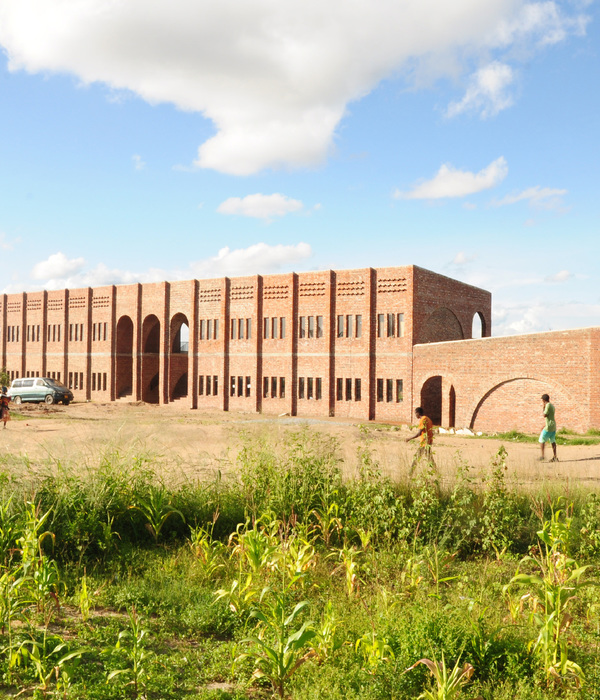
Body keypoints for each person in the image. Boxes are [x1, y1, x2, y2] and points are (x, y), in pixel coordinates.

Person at [406, 406, 436, 473]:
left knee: (416, 458)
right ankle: (436, 472)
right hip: (429, 441)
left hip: (424, 443)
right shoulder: (428, 419)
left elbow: (419, 433)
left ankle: (410, 473)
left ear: (418, 413)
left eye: (415, 413)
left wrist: (409, 438)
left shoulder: (423, 420)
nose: (415, 415)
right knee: (429, 458)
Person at [539, 393, 558, 462]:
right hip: (553, 426)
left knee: (542, 440)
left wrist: (543, 407)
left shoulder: (547, 405)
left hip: (549, 427)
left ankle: (542, 456)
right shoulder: (552, 405)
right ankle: (555, 457)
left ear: (544, 400)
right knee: (553, 441)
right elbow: (550, 417)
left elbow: (545, 415)